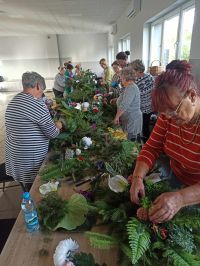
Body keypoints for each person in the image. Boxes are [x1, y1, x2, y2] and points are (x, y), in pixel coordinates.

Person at [130, 60, 200, 223]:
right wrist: (137, 177)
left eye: (174, 112)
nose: (169, 118)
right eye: (165, 113)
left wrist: (181, 198)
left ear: (192, 96)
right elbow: (152, 147)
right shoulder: (168, 116)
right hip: (176, 178)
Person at [5, 71, 62, 192]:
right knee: (36, 191)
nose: (41, 95)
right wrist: (58, 125)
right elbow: (52, 133)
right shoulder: (36, 105)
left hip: (16, 159)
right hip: (30, 161)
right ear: (37, 86)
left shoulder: (13, 101)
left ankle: (27, 195)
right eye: (41, 92)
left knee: (26, 188)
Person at [114, 66, 142, 142]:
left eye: (121, 78)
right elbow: (126, 99)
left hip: (133, 119)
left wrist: (117, 117)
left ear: (126, 78)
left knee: (132, 142)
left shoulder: (131, 88)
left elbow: (124, 105)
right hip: (129, 118)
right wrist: (116, 100)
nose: (120, 80)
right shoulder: (128, 87)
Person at [130, 59, 154, 142]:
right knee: (145, 127)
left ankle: (145, 145)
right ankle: (146, 143)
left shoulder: (137, 81)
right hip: (150, 107)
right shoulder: (149, 76)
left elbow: (133, 95)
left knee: (143, 128)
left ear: (138, 70)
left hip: (143, 108)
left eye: (132, 71)